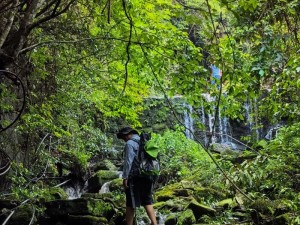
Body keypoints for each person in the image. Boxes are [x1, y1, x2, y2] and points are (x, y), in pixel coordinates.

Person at [117, 126, 157, 225]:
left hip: (135, 177)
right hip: (148, 175)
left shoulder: (130, 144)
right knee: (147, 201)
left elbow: (128, 161)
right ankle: (154, 223)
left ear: (128, 134)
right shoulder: (145, 141)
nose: (123, 139)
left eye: (123, 137)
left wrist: (125, 177)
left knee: (130, 203)